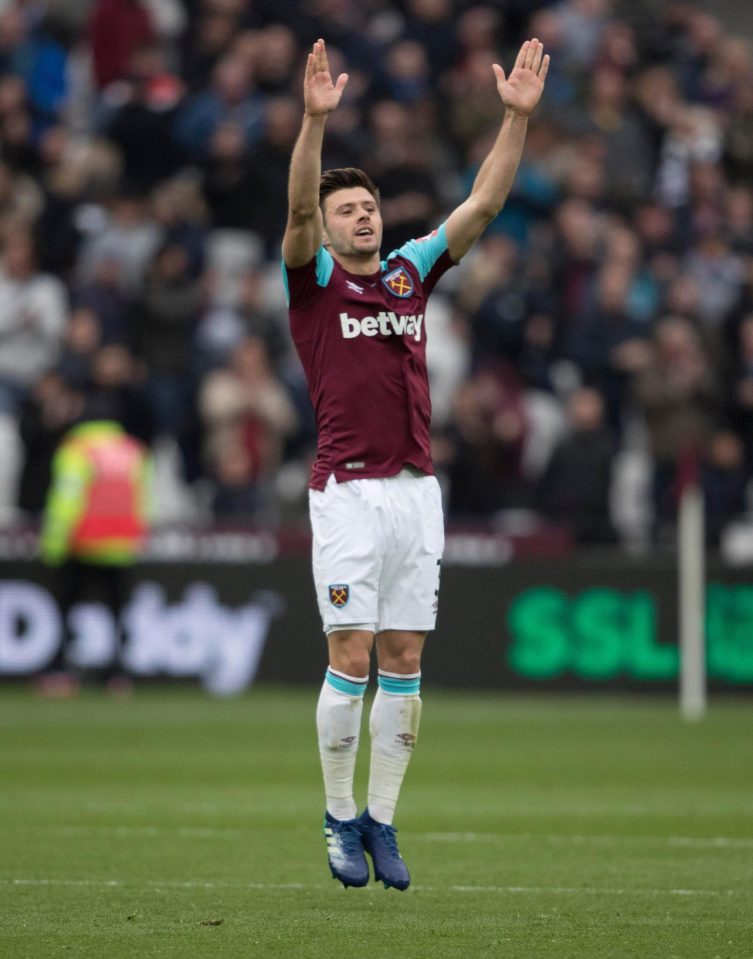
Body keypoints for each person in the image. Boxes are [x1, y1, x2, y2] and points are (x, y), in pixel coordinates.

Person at [281, 38, 548, 890]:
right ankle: (334, 813)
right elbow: (293, 215)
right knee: (350, 653)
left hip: (415, 494)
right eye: (346, 209)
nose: (362, 215)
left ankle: (380, 821)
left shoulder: (407, 276)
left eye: (368, 206)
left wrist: (513, 118)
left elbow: (482, 203)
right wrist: (313, 125)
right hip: (347, 493)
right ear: (327, 228)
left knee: (401, 654)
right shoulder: (314, 282)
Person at [38, 410, 151, 689]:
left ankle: (62, 669)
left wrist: (53, 542)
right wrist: (138, 536)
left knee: (67, 608)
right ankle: (119, 673)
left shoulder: (78, 449)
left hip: (83, 542)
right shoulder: (133, 450)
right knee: (118, 611)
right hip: (121, 544)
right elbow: (145, 498)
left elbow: (67, 496)